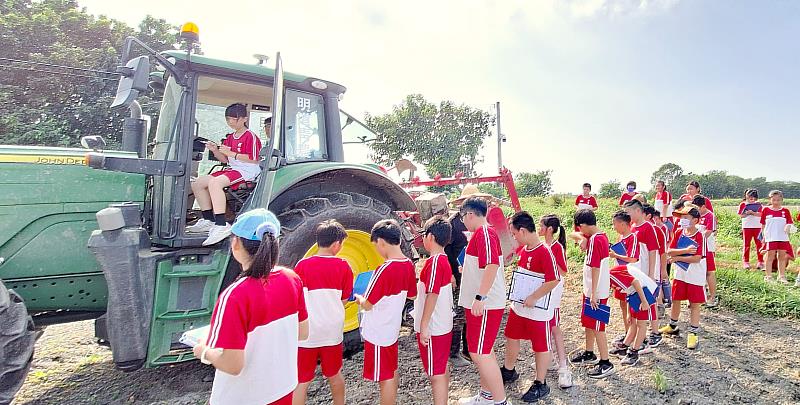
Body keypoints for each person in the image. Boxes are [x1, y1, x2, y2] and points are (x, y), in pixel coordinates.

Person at [193, 209, 308, 405]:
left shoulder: (234, 296)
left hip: (244, 396)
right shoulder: (292, 279)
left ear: (235, 243)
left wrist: (203, 350)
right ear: (275, 243)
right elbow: (302, 333)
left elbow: (233, 365)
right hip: (282, 388)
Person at [354, 220, 417, 405]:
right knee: (391, 369)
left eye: (376, 246)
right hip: (391, 327)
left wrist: (358, 297)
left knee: (385, 376)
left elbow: (368, 304)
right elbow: (412, 295)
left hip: (378, 331)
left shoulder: (384, 269)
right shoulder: (407, 264)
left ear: (381, 242)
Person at [500, 212, 560, 402]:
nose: (514, 237)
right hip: (520, 305)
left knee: (540, 345)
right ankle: (509, 370)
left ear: (523, 231)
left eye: (514, 233)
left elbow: (554, 280)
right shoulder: (525, 250)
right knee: (512, 335)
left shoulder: (545, 251)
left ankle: (540, 383)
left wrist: (534, 296)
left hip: (538, 309)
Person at [293, 220, 353, 405]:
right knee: (334, 374)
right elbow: (344, 299)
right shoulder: (344, 267)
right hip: (331, 332)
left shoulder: (302, 266)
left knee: (302, 380)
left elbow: (296, 297)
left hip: (306, 332)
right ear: (337, 244)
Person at [456, 197, 510, 405]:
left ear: (470, 214)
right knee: (483, 350)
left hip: (484, 304)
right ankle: (487, 395)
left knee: (479, 352)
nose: (463, 222)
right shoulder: (481, 234)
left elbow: (491, 265)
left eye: (463, 218)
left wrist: (480, 296)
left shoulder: (485, 232)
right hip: (479, 303)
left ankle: (500, 401)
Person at [188, 103, 264, 246]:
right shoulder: (230, 137)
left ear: (244, 119)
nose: (230, 122)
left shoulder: (250, 136)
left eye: (234, 119)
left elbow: (254, 159)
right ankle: (208, 219)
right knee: (197, 183)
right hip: (233, 168)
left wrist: (232, 153)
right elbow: (224, 160)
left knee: (215, 183)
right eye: (228, 119)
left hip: (247, 170)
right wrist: (215, 150)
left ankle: (222, 224)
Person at [412, 216, 454, 405]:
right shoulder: (442, 260)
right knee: (440, 368)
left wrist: (424, 325)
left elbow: (432, 293)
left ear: (430, 236)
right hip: (442, 324)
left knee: (435, 374)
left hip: (434, 327)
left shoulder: (435, 262)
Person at [568, 209, 614, 379]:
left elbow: (595, 267)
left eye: (580, 228)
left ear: (584, 225)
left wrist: (593, 294)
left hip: (596, 291)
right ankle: (589, 352)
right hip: (591, 289)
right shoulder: (597, 236)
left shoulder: (596, 240)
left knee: (597, 326)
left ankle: (605, 362)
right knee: (589, 322)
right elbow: (577, 235)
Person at [660, 204, 706, 350]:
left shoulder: (700, 235)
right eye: (681, 217)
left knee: (694, 304)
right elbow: (669, 251)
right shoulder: (679, 232)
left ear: (695, 220)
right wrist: (684, 251)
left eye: (686, 217)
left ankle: (693, 333)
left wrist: (678, 258)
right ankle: (672, 325)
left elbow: (697, 257)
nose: (682, 220)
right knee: (676, 299)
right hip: (680, 273)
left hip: (695, 274)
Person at [539, 214, 573, 389]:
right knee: (545, 325)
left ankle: (563, 367)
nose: (539, 228)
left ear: (549, 229)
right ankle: (551, 359)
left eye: (541, 225)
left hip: (553, 291)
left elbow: (563, 270)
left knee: (555, 327)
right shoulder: (543, 245)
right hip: (544, 289)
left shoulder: (556, 247)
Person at [623, 200, 663, 349]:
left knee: (649, 302)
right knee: (639, 302)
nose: (627, 216)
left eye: (629, 212)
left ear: (638, 211)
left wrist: (651, 274)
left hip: (646, 271)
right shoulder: (632, 228)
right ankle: (642, 335)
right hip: (637, 271)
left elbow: (653, 251)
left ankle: (655, 333)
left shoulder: (648, 228)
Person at [608, 264, 658, 367]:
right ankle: (624, 346)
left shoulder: (611, 275)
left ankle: (634, 353)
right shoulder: (610, 277)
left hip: (645, 292)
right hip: (634, 294)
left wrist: (644, 301)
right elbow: (627, 289)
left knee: (641, 324)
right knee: (633, 322)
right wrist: (628, 312)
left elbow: (635, 282)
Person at [445, 209, 471, 367]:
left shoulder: (475, 221)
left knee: (468, 312)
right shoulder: (453, 224)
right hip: (457, 275)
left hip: (470, 275)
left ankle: (468, 349)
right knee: (458, 314)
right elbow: (446, 250)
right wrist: (450, 273)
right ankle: (453, 352)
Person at [608, 210, 639, 341]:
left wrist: (616, 255)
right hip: (620, 274)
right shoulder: (620, 238)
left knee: (630, 307)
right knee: (622, 304)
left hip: (629, 276)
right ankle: (627, 331)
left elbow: (633, 259)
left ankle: (633, 335)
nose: (614, 227)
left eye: (615, 224)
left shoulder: (632, 238)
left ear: (622, 224)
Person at [760, 190, 794, 284]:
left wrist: (789, 225)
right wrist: (763, 237)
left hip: (783, 237)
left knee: (782, 256)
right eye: (774, 200)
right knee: (770, 256)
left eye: (778, 200)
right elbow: (763, 225)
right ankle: (768, 276)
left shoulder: (785, 211)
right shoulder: (765, 210)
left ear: (782, 200)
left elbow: (790, 222)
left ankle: (781, 276)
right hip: (770, 237)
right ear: (770, 200)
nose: (776, 202)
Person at [692, 195, 718, 307]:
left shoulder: (710, 216)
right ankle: (701, 296)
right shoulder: (695, 216)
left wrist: (698, 239)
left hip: (707, 248)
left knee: (709, 272)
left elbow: (708, 232)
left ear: (703, 206)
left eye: (697, 208)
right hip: (698, 248)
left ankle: (713, 297)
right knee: (699, 272)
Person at [738, 189, 764, 270]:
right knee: (746, 244)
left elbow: (761, 214)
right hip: (747, 227)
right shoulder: (743, 204)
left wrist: (753, 213)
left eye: (753, 199)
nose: (751, 200)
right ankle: (746, 261)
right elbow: (741, 215)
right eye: (750, 198)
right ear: (746, 197)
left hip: (757, 227)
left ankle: (761, 261)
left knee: (759, 244)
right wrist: (747, 213)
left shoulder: (759, 205)